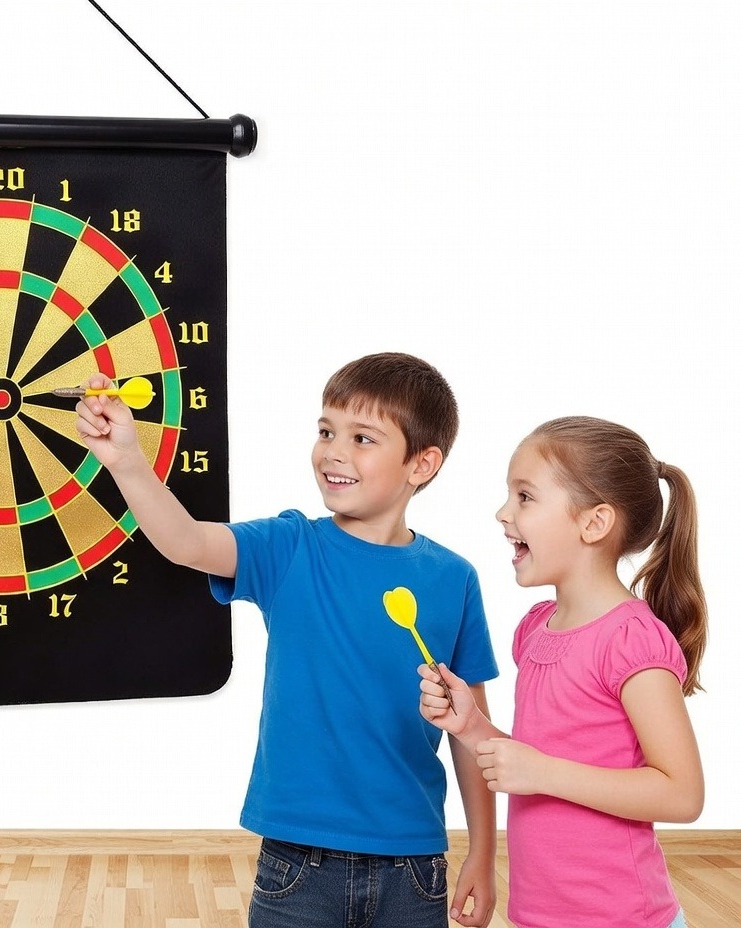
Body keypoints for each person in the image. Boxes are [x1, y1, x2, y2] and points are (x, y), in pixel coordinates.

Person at [76, 353, 500, 928]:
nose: (333, 452)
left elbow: (472, 732)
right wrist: (127, 462)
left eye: (362, 438)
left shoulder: (454, 578)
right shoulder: (289, 546)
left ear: (421, 464)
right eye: (326, 431)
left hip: (414, 867)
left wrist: (483, 852)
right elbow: (186, 542)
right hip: (297, 866)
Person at [418, 416, 707, 928]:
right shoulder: (536, 630)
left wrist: (544, 773)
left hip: (623, 919)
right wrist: (471, 726)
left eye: (525, 496)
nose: (503, 512)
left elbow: (682, 794)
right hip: (539, 913)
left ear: (594, 524)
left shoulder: (631, 640)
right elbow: (535, 759)